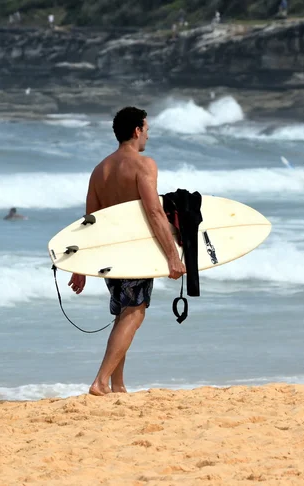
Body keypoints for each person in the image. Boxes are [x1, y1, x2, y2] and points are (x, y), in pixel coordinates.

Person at [68, 106, 186, 396]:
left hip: (110, 253)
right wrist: (173, 256)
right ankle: (100, 381)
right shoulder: (143, 165)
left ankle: (117, 385)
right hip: (135, 251)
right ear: (136, 131)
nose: (147, 134)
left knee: (124, 315)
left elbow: (89, 223)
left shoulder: (100, 170)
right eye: (146, 129)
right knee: (134, 313)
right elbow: (155, 213)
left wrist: (79, 265)